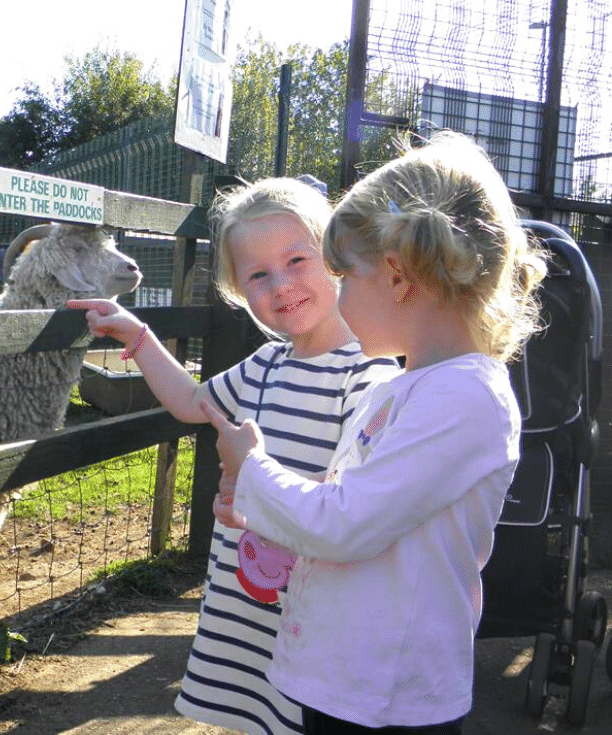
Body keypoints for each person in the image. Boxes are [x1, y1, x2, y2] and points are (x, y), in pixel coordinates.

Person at [202, 131, 547, 734]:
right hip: (347, 679)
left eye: (345, 274)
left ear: (398, 278)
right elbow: (345, 504)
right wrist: (261, 508)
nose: (336, 292)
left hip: (387, 697)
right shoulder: (405, 387)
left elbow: (344, 523)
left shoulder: (464, 398)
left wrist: (254, 471)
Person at [69, 175, 401, 734]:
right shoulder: (266, 364)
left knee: (300, 713)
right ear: (239, 292)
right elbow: (193, 402)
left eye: (298, 259)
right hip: (246, 601)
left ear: (335, 256)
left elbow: (360, 504)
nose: (282, 285)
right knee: (254, 710)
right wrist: (137, 334)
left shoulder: (367, 374)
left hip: (312, 608)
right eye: (258, 275)